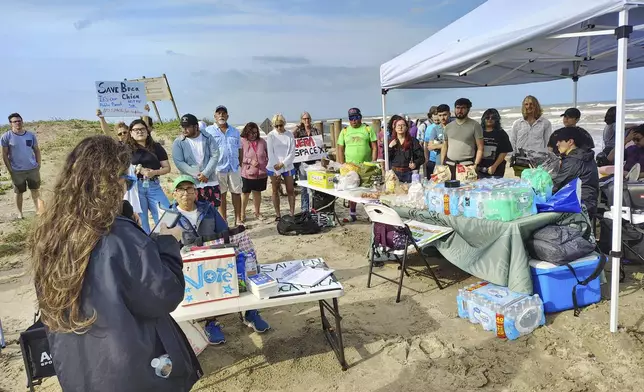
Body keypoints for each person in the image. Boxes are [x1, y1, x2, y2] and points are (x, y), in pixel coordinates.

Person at [32, 136, 201, 392]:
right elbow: (163, 295)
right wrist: (166, 245)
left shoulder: (50, 233)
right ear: (110, 183)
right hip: (132, 370)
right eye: (126, 180)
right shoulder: (120, 236)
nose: (125, 190)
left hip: (79, 369)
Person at [168, 175, 270, 344]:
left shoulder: (208, 209)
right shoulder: (169, 216)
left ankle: (250, 312)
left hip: (216, 255)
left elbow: (224, 232)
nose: (186, 193)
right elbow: (165, 244)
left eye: (190, 189)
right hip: (190, 264)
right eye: (181, 189)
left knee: (243, 265)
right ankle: (211, 322)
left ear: (195, 192)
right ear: (174, 194)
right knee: (202, 285)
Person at [127, 119, 171, 233]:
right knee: (141, 223)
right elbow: (122, 167)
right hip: (136, 188)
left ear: (147, 131)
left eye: (142, 129)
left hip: (154, 185)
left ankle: (166, 245)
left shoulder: (156, 147)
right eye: (135, 130)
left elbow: (167, 168)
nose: (139, 132)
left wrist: (154, 172)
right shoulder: (126, 149)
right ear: (131, 133)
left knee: (165, 216)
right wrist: (138, 169)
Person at [172, 113, 221, 211]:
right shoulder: (178, 142)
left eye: (187, 127)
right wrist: (197, 174)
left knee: (212, 211)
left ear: (196, 126)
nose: (184, 130)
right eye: (182, 127)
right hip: (191, 184)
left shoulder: (208, 137)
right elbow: (179, 162)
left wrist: (206, 173)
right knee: (193, 211)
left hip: (210, 181)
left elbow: (215, 155)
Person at [337, 107, 378, 222]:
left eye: (356, 117)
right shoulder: (344, 131)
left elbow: (374, 147)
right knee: (352, 190)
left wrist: (373, 163)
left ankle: (370, 215)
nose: (354, 120)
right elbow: (340, 148)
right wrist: (342, 164)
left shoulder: (368, 129)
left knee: (367, 190)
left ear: (360, 117)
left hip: (366, 166)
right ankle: (352, 214)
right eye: (351, 118)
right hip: (350, 166)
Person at [206, 105, 243, 225]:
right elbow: (206, 150)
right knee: (221, 195)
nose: (221, 115)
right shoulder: (208, 131)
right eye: (219, 113)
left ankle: (238, 219)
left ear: (227, 116)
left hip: (234, 167)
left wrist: (239, 164)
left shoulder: (235, 131)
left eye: (223, 113)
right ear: (215, 116)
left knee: (236, 193)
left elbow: (240, 149)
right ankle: (224, 221)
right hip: (218, 168)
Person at [1, 113, 43, 219]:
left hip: (32, 169)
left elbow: (36, 150)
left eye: (19, 120)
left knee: (35, 190)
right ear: (11, 124)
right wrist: (10, 169)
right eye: (15, 121)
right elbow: (4, 154)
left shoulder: (30, 135)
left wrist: (38, 164)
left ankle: (39, 211)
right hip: (17, 171)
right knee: (19, 192)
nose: (18, 123)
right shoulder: (6, 136)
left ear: (22, 121)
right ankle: (20, 214)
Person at [551, 127, 599, 215]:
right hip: (589, 202)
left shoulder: (573, 161)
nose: (557, 144)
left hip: (580, 205)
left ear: (570, 142)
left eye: (560, 141)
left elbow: (555, 185)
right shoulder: (585, 156)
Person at [440, 98, 484, 180]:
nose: (460, 110)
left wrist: (475, 165)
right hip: (450, 165)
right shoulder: (448, 127)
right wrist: (442, 164)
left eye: (463, 108)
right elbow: (445, 146)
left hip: (467, 165)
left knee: (468, 191)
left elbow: (480, 148)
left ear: (468, 109)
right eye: (457, 108)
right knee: (449, 191)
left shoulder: (475, 125)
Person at [510, 95, 552, 176]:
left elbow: (548, 142)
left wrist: (548, 159)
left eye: (531, 104)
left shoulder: (545, 123)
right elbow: (513, 141)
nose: (528, 106)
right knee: (524, 183)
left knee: (537, 184)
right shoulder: (517, 123)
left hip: (539, 159)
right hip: (521, 159)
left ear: (536, 105)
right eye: (526, 104)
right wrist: (512, 157)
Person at [267, 114, 296, 220]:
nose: (279, 128)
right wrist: (277, 168)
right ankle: (278, 214)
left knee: (290, 189)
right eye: (277, 126)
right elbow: (270, 153)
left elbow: (292, 152)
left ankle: (292, 212)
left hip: (287, 165)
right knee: (275, 190)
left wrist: (283, 163)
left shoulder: (289, 135)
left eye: (281, 125)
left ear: (284, 124)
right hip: (274, 166)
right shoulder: (271, 135)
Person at [293, 111, 322, 212]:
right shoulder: (298, 132)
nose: (307, 121)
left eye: (308, 118)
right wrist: (298, 127)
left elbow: (320, 146)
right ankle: (304, 209)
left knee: (316, 186)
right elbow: (292, 141)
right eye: (304, 119)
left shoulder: (316, 131)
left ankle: (315, 208)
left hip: (315, 163)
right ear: (301, 120)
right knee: (304, 187)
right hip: (303, 163)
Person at [240, 122, 268, 221]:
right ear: (246, 132)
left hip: (261, 173)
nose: (253, 135)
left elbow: (268, 154)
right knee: (245, 193)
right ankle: (242, 214)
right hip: (247, 173)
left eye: (255, 133)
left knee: (257, 192)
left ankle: (257, 212)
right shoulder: (242, 141)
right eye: (251, 133)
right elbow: (239, 157)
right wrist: (250, 161)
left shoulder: (262, 142)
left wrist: (266, 164)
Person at [388, 118, 425, 182]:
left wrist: (415, 164)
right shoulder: (389, 141)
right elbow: (385, 158)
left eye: (403, 125)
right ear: (395, 128)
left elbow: (422, 158)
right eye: (398, 125)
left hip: (409, 174)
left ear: (407, 127)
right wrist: (390, 147)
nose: (400, 127)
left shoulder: (413, 141)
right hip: (394, 174)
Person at [478, 109, 512, 178]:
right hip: (479, 169)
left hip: (496, 169)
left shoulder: (501, 133)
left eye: (493, 118)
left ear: (496, 120)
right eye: (487, 118)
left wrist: (494, 166)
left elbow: (504, 152)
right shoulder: (478, 132)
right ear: (483, 119)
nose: (490, 119)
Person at [424, 105, 447, 178]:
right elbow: (427, 145)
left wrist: (439, 145)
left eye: (438, 120)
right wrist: (427, 160)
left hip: (449, 160)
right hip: (433, 159)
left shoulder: (450, 127)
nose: (437, 122)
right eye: (435, 120)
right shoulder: (431, 128)